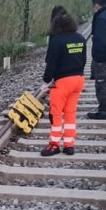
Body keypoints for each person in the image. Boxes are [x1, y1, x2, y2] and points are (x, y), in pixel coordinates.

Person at [40, 10, 86, 156]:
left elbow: (51, 64)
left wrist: (46, 81)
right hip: (78, 80)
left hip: (63, 83)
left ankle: (54, 145)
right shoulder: (80, 38)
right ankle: (69, 145)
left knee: (56, 113)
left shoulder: (57, 40)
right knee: (70, 113)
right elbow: (84, 60)